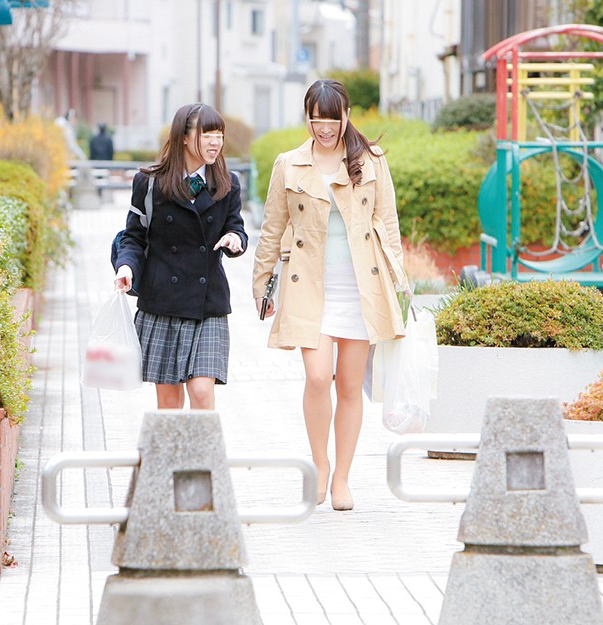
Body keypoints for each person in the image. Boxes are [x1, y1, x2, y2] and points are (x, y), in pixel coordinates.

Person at [252, 79, 411, 511]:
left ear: (346, 116)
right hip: (309, 288)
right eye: (316, 119)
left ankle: (342, 478)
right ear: (307, 118)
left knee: (350, 386)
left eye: (332, 119)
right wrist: (262, 284)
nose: (324, 128)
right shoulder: (289, 164)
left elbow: (389, 222)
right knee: (319, 377)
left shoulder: (370, 161)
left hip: (360, 288)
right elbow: (271, 228)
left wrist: (398, 282)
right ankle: (320, 465)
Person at [113, 103, 248, 410]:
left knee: (201, 391)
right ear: (184, 137)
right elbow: (134, 236)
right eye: (207, 134)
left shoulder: (228, 183)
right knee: (169, 401)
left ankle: (202, 445)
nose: (215, 142)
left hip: (207, 303)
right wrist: (126, 267)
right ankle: (172, 446)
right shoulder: (150, 183)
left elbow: (237, 227)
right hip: (163, 301)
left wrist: (235, 239)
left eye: (219, 134)